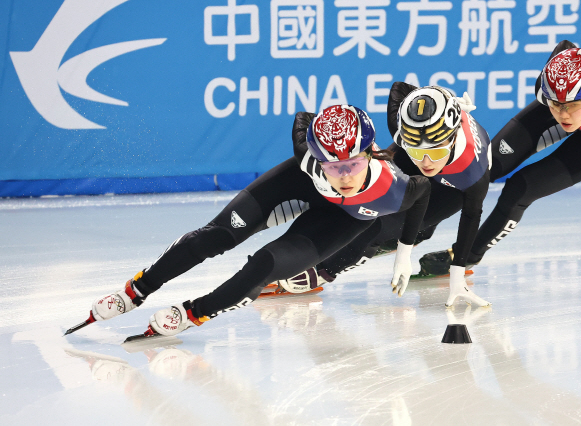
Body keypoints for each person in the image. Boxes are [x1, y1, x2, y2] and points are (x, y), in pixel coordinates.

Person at [68, 105, 431, 338]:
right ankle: (138, 289)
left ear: (369, 153)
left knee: (265, 265)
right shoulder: (307, 157)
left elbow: (424, 192)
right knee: (214, 238)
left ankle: (195, 312)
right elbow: (304, 119)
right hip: (298, 187)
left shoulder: (394, 189)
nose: (344, 176)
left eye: (353, 163)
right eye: (333, 166)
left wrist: (404, 252)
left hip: (341, 220)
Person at [423, 40, 581, 271]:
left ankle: (465, 257)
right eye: (555, 105)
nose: (563, 114)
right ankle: (422, 223)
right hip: (572, 97)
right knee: (485, 167)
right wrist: (560, 103)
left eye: (571, 106)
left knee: (521, 189)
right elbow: (565, 47)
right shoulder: (550, 90)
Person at [279, 85, 493, 308]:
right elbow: (399, 89)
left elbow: (471, 217)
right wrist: (440, 98)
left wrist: (457, 278)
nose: (426, 162)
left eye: (435, 151)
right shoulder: (408, 129)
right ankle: (412, 233)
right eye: (417, 148)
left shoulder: (472, 173)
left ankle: (327, 269)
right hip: (411, 159)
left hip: (452, 189)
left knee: (379, 226)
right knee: (371, 197)